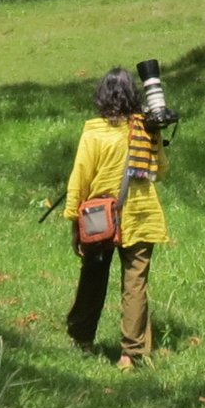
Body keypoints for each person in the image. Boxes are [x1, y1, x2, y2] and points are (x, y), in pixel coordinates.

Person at [63, 67, 167, 370]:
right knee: (135, 284)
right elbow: (160, 171)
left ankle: (82, 338)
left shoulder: (93, 132)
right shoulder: (145, 128)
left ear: (102, 97)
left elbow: (79, 179)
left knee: (93, 277)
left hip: (99, 218)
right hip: (141, 215)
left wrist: (74, 224)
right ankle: (130, 355)